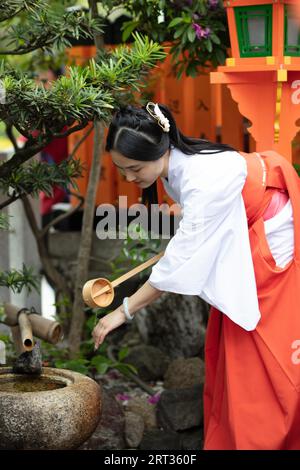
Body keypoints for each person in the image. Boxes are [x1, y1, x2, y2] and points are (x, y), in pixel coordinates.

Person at [92, 102, 300, 450]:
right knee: (234, 340)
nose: (129, 178)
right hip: (248, 232)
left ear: (160, 149)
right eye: (121, 169)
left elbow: (175, 266)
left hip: (272, 240)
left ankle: (265, 439)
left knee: (262, 348)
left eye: (133, 168)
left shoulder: (202, 179)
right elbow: (193, 234)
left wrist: (123, 310)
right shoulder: (179, 164)